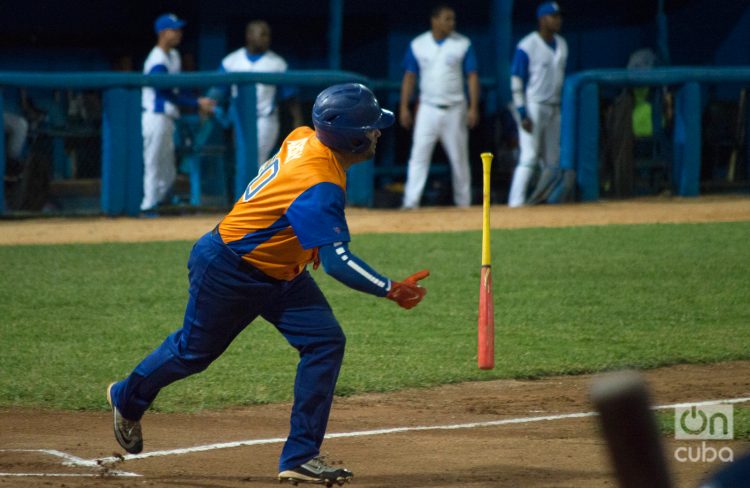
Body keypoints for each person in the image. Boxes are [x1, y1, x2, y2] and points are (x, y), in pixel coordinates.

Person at [106, 83, 430, 486]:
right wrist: (390, 288)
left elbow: (286, 211)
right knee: (193, 352)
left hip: (280, 274)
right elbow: (337, 262)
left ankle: (301, 456)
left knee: (325, 341)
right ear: (351, 138)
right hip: (229, 269)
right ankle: (127, 396)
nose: (378, 133)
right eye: (371, 127)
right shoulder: (320, 183)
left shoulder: (304, 135)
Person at [399, 4, 480, 209]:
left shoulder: (462, 43)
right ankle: (410, 203)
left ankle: (464, 204)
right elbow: (409, 77)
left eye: (453, 19)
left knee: (459, 160)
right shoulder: (419, 44)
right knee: (418, 157)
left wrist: (473, 107)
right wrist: (404, 107)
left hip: (455, 107)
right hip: (427, 107)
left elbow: (472, 76)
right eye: (447, 19)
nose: (451, 23)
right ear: (434, 20)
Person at [141, 13, 215, 214]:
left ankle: (162, 201)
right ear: (163, 33)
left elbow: (177, 89)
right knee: (153, 160)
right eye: (175, 30)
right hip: (154, 115)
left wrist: (196, 101)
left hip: (168, 116)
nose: (179, 33)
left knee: (167, 165)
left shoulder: (173, 56)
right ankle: (148, 205)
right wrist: (196, 102)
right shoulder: (156, 59)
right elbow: (164, 91)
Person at [213, 20, 304, 167]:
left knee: (255, 160)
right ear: (249, 35)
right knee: (244, 162)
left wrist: (297, 122)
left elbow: (290, 97)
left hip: (265, 118)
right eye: (262, 35)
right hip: (240, 121)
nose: (266, 39)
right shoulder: (231, 61)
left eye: (268, 35)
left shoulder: (277, 63)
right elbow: (217, 90)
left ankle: (254, 189)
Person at [507, 1, 567, 208]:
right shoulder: (527, 45)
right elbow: (516, 79)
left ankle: (545, 201)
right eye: (553, 16)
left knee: (553, 160)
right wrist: (522, 112)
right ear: (542, 19)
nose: (557, 20)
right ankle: (515, 203)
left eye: (558, 16)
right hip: (534, 106)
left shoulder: (562, 44)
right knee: (530, 156)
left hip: (555, 106)